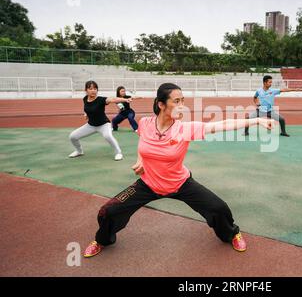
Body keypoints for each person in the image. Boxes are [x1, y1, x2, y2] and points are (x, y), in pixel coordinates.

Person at [83, 83, 275, 258]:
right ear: (161, 104)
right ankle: (102, 240)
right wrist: (140, 159)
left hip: (180, 183)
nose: (182, 105)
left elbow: (219, 125)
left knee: (219, 208)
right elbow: (143, 142)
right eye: (177, 101)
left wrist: (256, 120)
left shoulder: (184, 129)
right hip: (148, 184)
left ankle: (232, 233)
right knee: (108, 211)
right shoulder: (145, 124)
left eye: (183, 101)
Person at [68, 81, 132, 161]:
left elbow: (113, 99)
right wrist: (86, 114)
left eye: (95, 88)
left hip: (104, 125)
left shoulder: (101, 100)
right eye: (90, 88)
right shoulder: (85, 99)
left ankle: (118, 153)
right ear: (86, 90)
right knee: (72, 136)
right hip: (91, 125)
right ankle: (79, 151)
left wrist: (125, 100)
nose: (93, 90)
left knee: (107, 136)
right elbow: (87, 108)